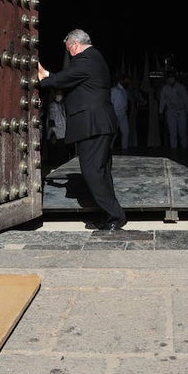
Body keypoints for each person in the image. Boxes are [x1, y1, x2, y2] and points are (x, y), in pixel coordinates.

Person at [38, 30, 126, 230]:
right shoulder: (93, 58)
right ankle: (109, 215)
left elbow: (66, 77)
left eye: (68, 48)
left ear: (74, 44)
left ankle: (116, 215)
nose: (68, 54)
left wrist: (46, 77)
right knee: (101, 172)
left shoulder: (87, 58)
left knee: (92, 171)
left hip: (94, 125)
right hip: (96, 124)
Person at [159, 75, 188, 150]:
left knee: (182, 132)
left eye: (171, 78)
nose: (170, 79)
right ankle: (173, 150)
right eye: (169, 78)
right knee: (172, 133)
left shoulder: (181, 87)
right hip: (170, 111)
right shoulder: (165, 88)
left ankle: (184, 149)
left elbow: (186, 100)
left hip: (181, 111)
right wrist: (160, 112)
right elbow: (162, 100)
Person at [111, 76, 132, 150]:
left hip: (123, 114)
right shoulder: (114, 90)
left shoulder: (125, 91)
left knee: (126, 132)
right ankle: (109, 149)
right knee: (114, 134)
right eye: (126, 81)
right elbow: (111, 102)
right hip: (115, 114)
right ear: (121, 80)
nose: (128, 83)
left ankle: (125, 149)